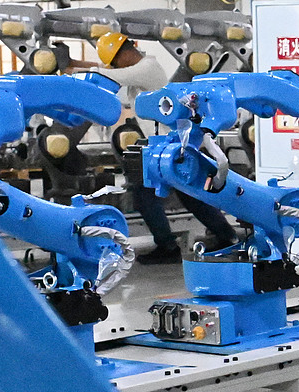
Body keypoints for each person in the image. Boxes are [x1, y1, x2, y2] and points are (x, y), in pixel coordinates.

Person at [67, 32, 235, 264]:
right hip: (164, 146)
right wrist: (75, 64)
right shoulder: (138, 75)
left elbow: (108, 74)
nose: (115, 66)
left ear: (125, 53)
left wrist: (71, 72)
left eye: (115, 61)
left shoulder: (148, 68)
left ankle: (172, 245)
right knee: (182, 195)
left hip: (172, 145)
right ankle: (222, 236)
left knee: (153, 194)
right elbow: (109, 76)